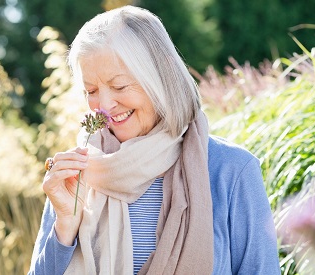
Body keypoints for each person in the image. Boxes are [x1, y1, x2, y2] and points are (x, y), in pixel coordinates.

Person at [29, 5, 280, 275]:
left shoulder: (231, 171)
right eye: (91, 90)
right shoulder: (75, 176)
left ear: (160, 77)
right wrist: (65, 227)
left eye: (119, 86)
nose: (103, 104)